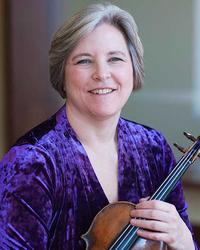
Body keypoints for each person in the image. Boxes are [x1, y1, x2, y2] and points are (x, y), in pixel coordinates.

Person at [0, 2, 199, 250]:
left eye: (115, 58)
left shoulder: (153, 147)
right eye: (84, 61)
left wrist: (184, 241)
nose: (102, 73)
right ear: (62, 74)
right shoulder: (31, 163)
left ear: (133, 69)